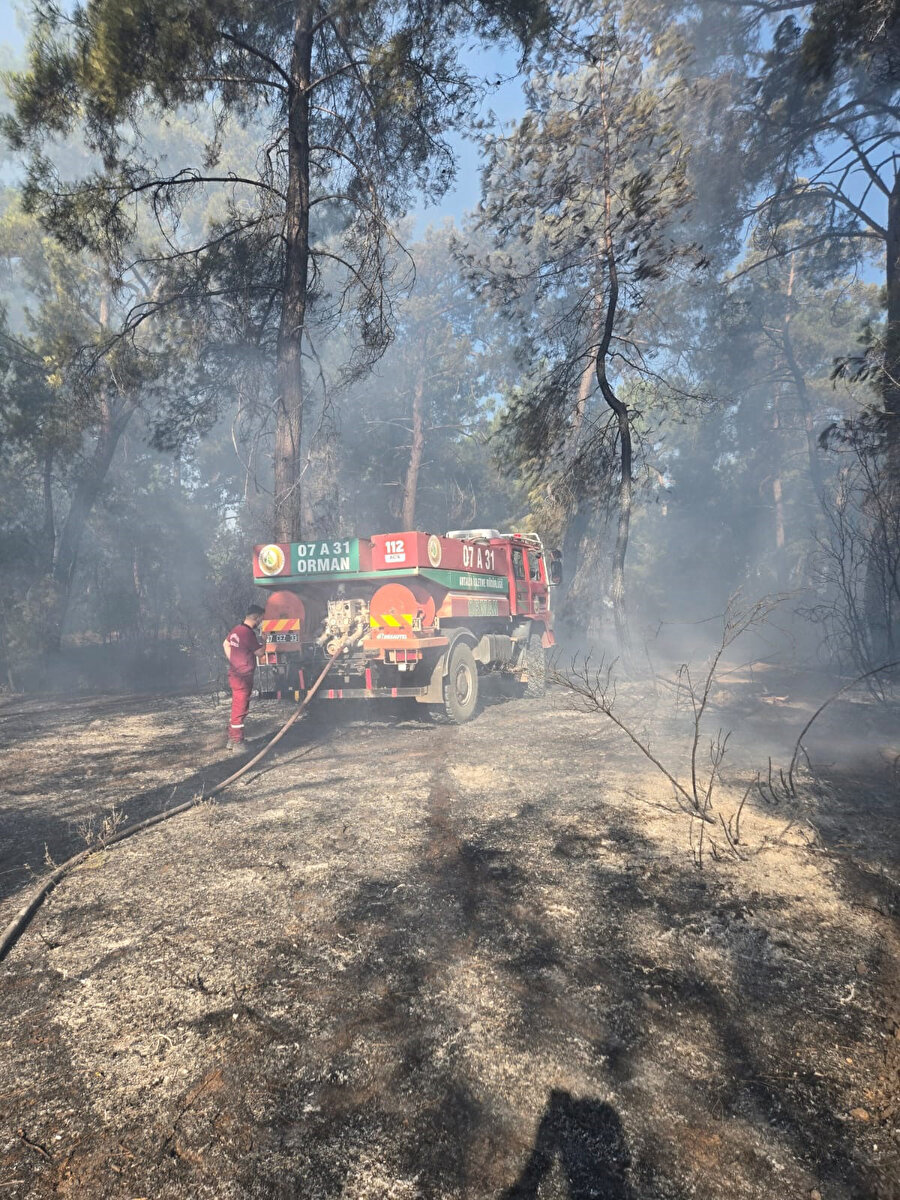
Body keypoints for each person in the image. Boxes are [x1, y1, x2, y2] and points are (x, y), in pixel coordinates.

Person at [223, 604, 265, 751]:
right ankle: (237, 742)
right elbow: (260, 653)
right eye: (261, 618)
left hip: (235, 674)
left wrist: (233, 661)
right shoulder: (248, 634)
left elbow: (225, 644)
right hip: (243, 677)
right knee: (240, 708)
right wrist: (265, 640)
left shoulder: (236, 630)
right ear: (257, 617)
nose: (261, 622)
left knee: (237, 706)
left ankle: (231, 739)